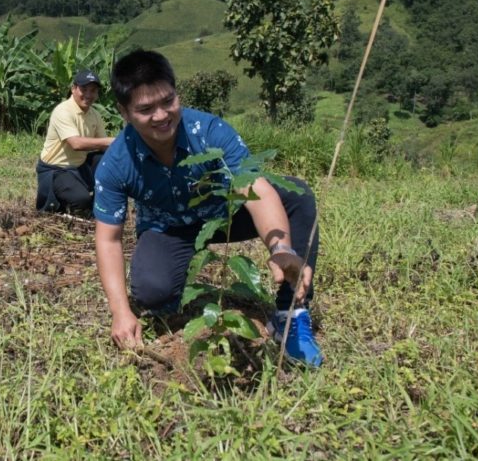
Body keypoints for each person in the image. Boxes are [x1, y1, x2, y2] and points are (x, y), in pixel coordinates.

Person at [93, 50, 323, 366]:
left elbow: (256, 188)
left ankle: (290, 315)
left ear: (177, 93)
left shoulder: (210, 132)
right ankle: (172, 284)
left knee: (296, 196)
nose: (161, 115)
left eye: (167, 101)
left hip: (224, 215)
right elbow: (109, 239)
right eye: (145, 109)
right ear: (124, 112)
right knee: (153, 293)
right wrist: (120, 311)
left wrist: (281, 247)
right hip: (169, 228)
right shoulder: (117, 163)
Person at [36, 69, 114, 215]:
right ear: (73, 89)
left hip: (79, 166)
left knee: (105, 160)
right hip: (57, 169)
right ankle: (72, 203)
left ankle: (99, 203)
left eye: (93, 91)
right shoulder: (63, 111)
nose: (89, 95)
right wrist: (112, 141)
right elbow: (76, 144)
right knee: (81, 199)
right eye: (84, 89)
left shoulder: (95, 115)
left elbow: (105, 148)